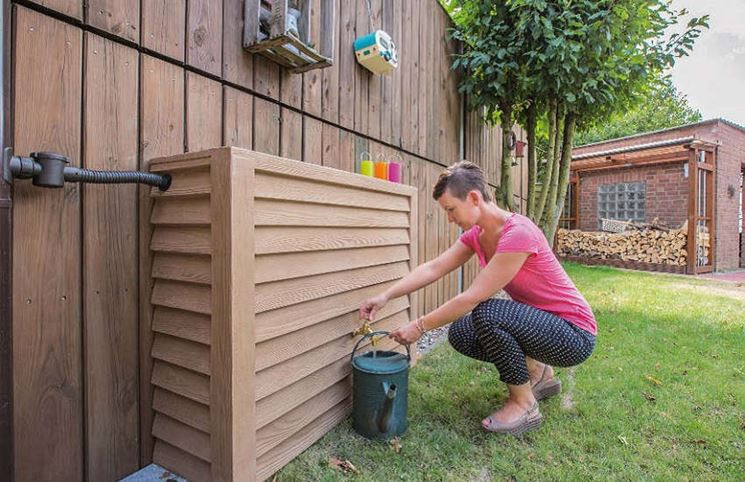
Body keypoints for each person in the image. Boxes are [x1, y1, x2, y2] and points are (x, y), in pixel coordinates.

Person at [359, 161, 597, 435]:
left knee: (487, 312)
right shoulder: (478, 235)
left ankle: (524, 403)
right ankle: (539, 374)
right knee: (461, 332)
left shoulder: (518, 233)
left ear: (473, 198)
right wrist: (385, 296)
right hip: (544, 328)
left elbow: (471, 298)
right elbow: (434, 268)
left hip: (574, 336)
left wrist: (419, 326)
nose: (450, 218)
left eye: (451, 209)